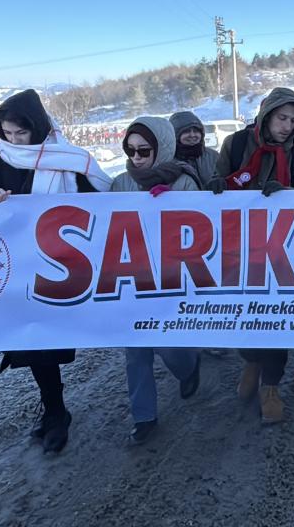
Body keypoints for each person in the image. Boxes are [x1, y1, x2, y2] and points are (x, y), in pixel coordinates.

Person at [0, 89, 113, 455]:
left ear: (37, 127)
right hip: (22, 262)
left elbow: (104, 202)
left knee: (61, 331)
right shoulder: (0, 157)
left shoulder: (72, 159)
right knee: (36, 337)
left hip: (69, 262)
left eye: (21, 132)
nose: (14, 140)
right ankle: (55, 410)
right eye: (7, 133)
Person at [219, 87, 294, 424]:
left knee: (277, 315)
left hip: (282, 246)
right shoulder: (235, 144)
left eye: (293, 120)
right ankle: (251, 361)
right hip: (240, 244)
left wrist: (287, 194)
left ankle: (270, 387)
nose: (287, 126)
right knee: (245, 311)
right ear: (266, 115)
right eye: (281, 118)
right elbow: (216, 182)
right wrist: (216, 188)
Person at [110, 116, 203, 444]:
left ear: (161, 148)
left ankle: (188, 366)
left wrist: (172, 207)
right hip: (133, 277)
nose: (136, 158)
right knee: (136, 350)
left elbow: (200, 228)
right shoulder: (121, 183)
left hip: (171, 277)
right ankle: (144, 416)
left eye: (144, 151)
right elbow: (104, 222)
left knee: (167, 342)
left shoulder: (184, 182)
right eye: (130, 150)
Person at [170, 110, 221, 186]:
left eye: (196, 131)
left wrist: (219, 182)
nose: (192, 135)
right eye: (186, 131)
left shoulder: (213, 156)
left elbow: (223, 175)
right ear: (176, 135)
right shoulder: (168, 158)